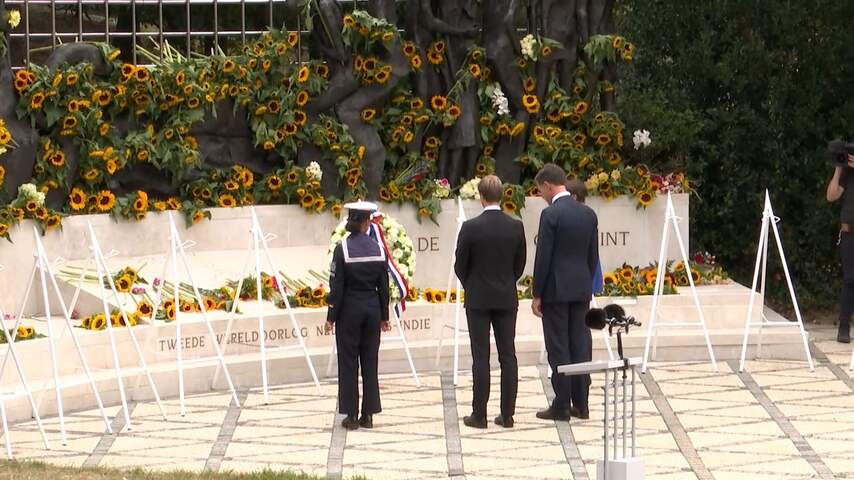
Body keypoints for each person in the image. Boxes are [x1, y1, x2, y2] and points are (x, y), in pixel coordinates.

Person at [454, 175, 527, 429]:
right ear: (502, 196)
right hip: (506, 297)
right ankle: (507, 415)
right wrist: (506, 281)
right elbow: (520, 264)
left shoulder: (471, 227)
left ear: (481, 197)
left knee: (481, 356)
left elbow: (460, 264)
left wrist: (472, 284)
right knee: (508, 355)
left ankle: (480, 414)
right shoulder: (515, 226)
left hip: (478, 298)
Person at [532, 164, 599, 421]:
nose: (541, 195)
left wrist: (538, 293)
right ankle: (581, 404)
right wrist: (585, 281)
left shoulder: (551, 215)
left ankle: (561, 404)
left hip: (556, 292)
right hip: (580, 289)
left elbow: (544, 257)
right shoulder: (588, 214)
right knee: (580, 343)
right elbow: (592, 256)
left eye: (540, 190)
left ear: (548, 185)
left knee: (558, 346)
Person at [326, 201, 391, 429]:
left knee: (348, 362)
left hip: (349, 311)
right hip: (372, 309)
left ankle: (351, 415)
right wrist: (385, 317)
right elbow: (384, 286)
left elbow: (337, 286)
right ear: (366, 223)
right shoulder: (379, 249)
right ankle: (369, 414)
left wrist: (331, 316)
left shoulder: (342, 248)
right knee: (370, 362)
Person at [826, 151, 854, 343]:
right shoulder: (846, 174)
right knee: (849, 279)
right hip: (849, 233)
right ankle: (843, 326)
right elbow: (831, 196)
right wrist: (838, 168)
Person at [566, 179, 604, 295]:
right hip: (589, 265)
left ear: (573, 197)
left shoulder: (574, 216)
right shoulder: (589, 214)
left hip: (580, 268)